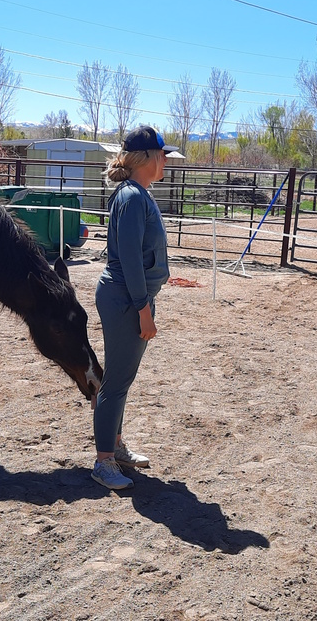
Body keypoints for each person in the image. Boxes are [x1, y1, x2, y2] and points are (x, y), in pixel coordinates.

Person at [91, 125, 177, 490]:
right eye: (163, 156)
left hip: (130, 297)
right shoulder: (131, 198)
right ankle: (103, 462)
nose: (166, 162)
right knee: (115, 382)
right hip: (126, 299)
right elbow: (128, 259)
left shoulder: (137, 195)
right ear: (150, 158)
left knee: (121, 380)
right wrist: (143, 309)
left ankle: (114, 447)